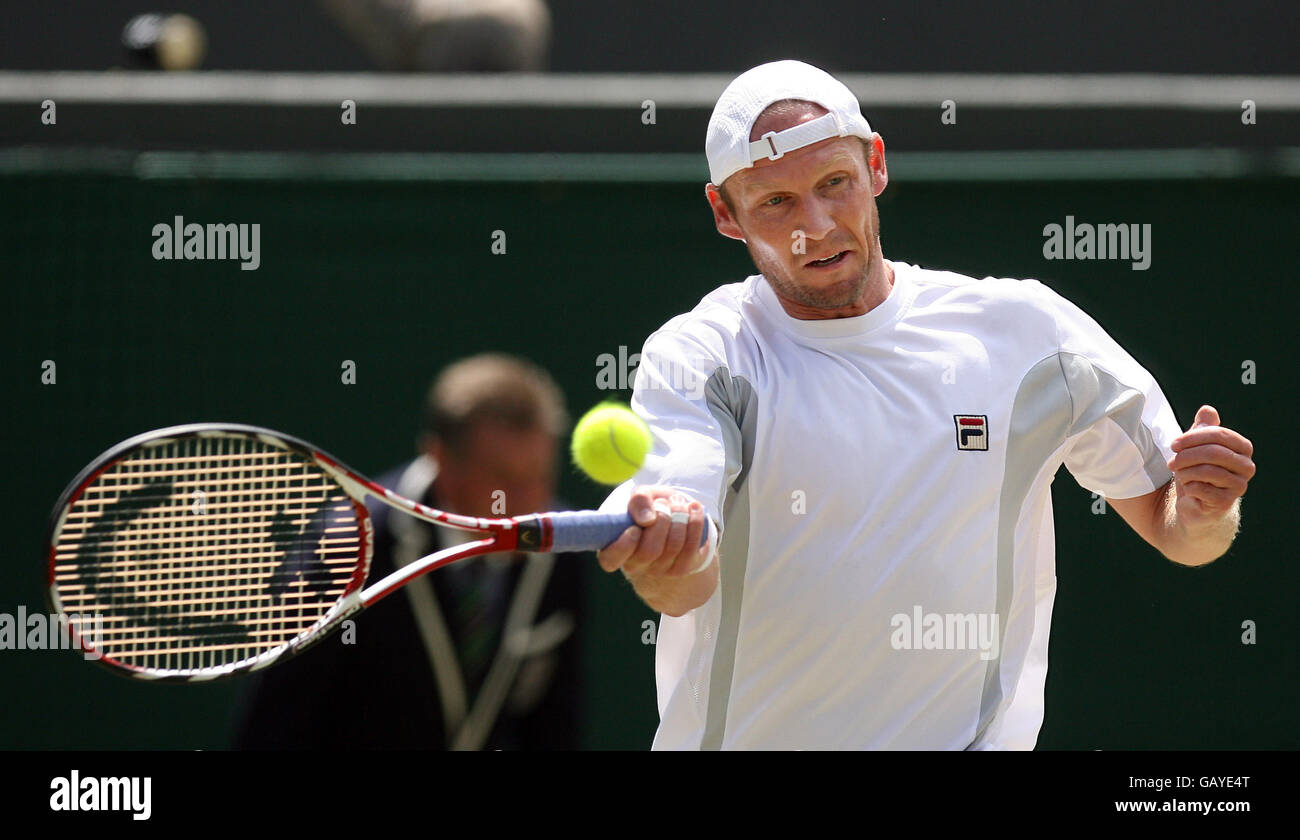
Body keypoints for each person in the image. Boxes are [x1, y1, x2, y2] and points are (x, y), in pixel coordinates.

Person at [595, 60, 1257, 750]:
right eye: (776, 203)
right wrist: (662, 560)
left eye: (833, 184)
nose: (815, 227)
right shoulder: (701, 355)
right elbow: (684, 579)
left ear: (875, 165)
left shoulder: (1029, 334)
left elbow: (1180, 532)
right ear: (725, 214)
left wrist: (1208, 507)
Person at [234, 353, 583, 749]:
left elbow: (554, 726)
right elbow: (277, 726)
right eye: (504, 479)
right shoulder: (345, 546)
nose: (531, 502)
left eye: (540, 476)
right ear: (441, 460)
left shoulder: (560, 548)